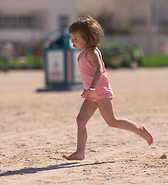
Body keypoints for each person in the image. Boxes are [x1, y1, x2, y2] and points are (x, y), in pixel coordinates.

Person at [63, 16, 153, 161]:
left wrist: (92, 87)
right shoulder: (82, 54)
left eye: (76, 39)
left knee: (112, 121)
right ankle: (80, 152)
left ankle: (140, 130)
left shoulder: (92, 52)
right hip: (91, 94)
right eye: (72, 38)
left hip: (100, 92)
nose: (72, 42)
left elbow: (99, 70)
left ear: (88, 38)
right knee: (81, 120)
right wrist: (90, 90)